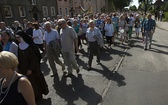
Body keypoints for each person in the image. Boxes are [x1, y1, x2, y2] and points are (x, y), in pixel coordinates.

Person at [15, 30, 49, 101]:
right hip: (24, 68)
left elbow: (34, 58)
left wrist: (31, 69)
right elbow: (19, 58)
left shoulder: (30, 46)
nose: (17, 39)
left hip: (33, 69)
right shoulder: (19, 46)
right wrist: (19, 67)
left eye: (19, 37)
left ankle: (38, 95)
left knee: (35, 82)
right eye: (16, 38)